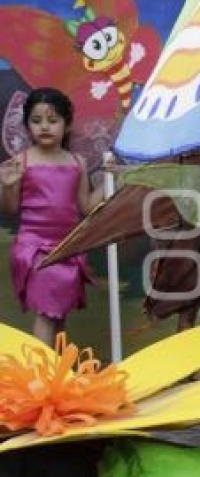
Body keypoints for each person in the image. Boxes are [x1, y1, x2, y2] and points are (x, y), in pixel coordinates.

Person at [0, 88, 106, 345]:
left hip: (66, 248)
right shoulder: (21, 162)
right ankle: (42, 376)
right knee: (47, 314)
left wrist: (109, 182)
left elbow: (86, 207)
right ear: (27, 127)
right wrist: (8, 185)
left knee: (58, 316)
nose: (44, 127)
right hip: (34, 249)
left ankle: (56, 373)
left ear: (67, 124)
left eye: (52, 120)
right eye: (36, 121)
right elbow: (10, 209)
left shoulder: (76, 162)